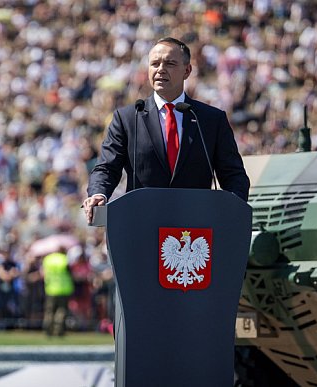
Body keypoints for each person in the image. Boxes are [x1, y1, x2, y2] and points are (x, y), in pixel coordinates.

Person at [84, 37, 250, 223]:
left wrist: (234, 205)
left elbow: (233, 174)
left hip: (195, 229)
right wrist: (99, 194)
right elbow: (107, 168)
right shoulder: (128, 118)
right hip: (141, 224)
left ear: (187, 70)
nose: (160, 69)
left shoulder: (211, 120)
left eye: (170, 63)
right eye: (155, 63)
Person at [40, 247, 74, 337]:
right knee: (61, 311)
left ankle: (47, 329)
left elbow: (43, 273)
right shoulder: (64, 259)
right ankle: (59, 331)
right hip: (63, 289)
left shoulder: (47, 259)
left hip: (50, 289)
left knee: (49, 310)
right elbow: (70, 272)